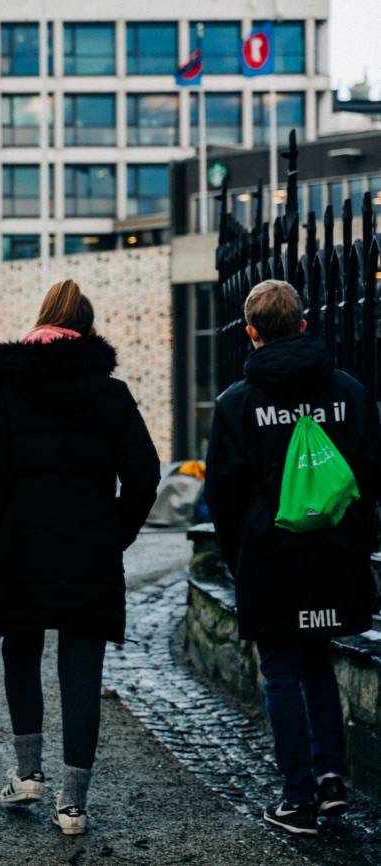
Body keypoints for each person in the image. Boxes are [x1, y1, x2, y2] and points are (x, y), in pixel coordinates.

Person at [0, 280, 159, 835]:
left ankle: (28, 773)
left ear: (41, 320)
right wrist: (116, 533)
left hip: (22, 547)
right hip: (90, 550)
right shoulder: (111, 393)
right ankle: (73, 804)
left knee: (21, 653)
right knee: (82, 671)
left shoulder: (4, 393)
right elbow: (146, 476)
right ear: (87, 326)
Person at [206, 279, 380, 836]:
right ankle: (332, 778)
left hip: (270, 555)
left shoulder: (237, 403)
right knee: (318, 662)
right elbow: (369, 475)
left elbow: (225, 494)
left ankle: (297, 798)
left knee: (281, 669)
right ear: (304, 323)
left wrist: (238, 558)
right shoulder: (349, 391)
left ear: (251, 333)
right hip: (334, 552)